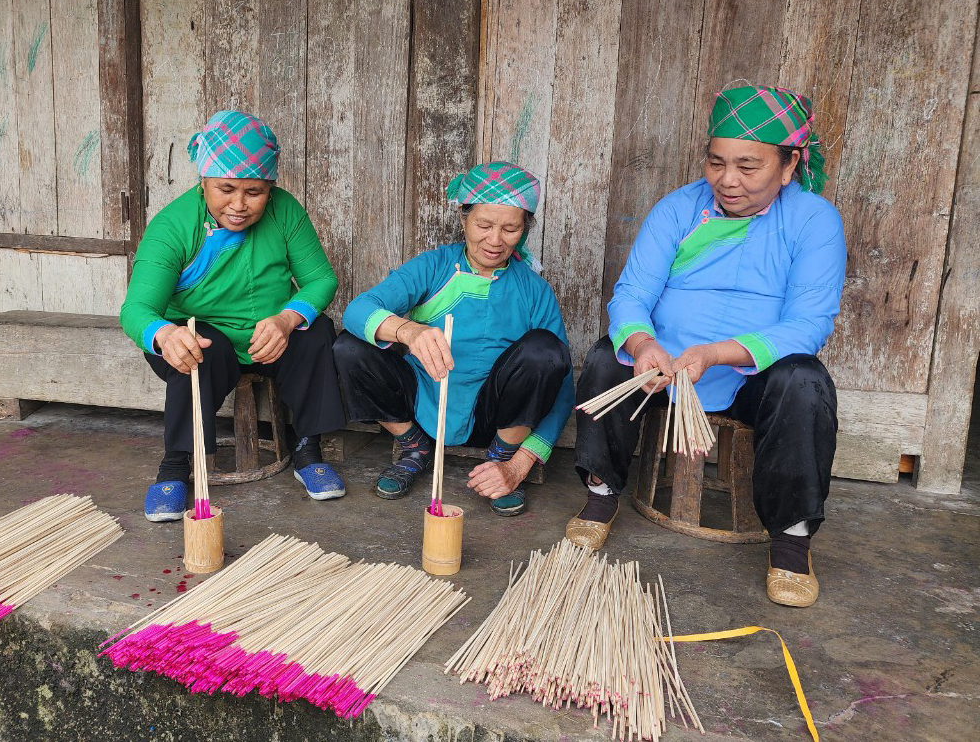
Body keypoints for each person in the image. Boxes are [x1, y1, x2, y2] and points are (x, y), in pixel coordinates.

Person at [567, 85, 846, 607]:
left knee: (805, 380)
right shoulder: (678, 209)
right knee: (609, 354)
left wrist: (716, 353)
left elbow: (807, 324)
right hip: (666, 367)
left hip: (747, 373)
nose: (728, 179)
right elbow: (632, 293)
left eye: (748, 166)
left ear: (789, 167)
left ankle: (791, 541)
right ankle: (601, 495)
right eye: (717, 163)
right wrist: (644, 342)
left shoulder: (814, 221)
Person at [120, 110, 348, 521]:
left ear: (271, 188)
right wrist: (165, 335)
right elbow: (136, 310)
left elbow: (321, 281)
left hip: (268, 332)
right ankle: (175, 464)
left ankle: (307, 447)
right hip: (201, 334)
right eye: (225, 189)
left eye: (255, 192)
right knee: (202, 348)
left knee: (318, 332)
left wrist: (287, 318)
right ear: (203, 182)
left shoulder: (286, 212)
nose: (239, 205)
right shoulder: (173, 226)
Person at [333, 162, 575, 517]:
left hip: (495, 418)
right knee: (350, 347)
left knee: (545, 351)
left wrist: (518, 465)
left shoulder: (534, 290)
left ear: (524, 231)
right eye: (483, 225)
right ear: (463, 221)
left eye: (510, 228)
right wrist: (408, 331)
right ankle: (413, 446)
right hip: (424, 402)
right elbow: (358, 309)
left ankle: (499, 459)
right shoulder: (434, 266)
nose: (495, 240)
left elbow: (563, 383)